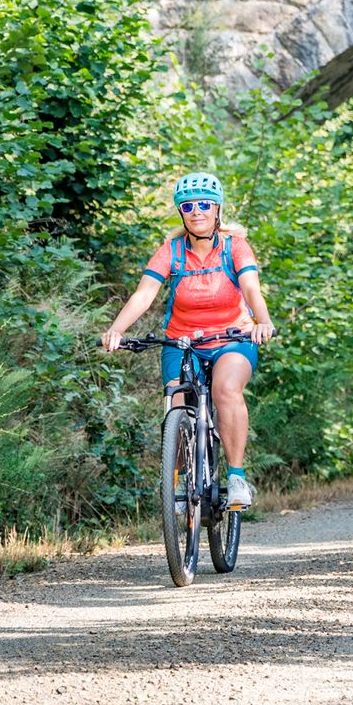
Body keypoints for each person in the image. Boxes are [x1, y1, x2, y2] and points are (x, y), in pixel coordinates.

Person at [100, 172, 275, 510]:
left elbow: (251, 288)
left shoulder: (234, 246)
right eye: (189, 205)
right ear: (181, 212)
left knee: (226, 389)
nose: (197, 211)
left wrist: (262, 322)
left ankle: (236, 478)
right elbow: (144, 294)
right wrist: (117, 330)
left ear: (217, 209)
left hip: (233, 336)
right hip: (182, 341)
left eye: (205, 205)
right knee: (177, 403)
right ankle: (177, 483)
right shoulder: (172, 251)